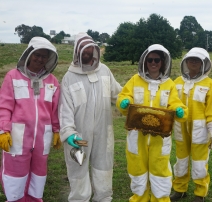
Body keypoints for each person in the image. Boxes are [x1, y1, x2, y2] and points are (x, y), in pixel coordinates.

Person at [116, 44, 188, 202]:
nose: (153, 63)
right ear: (145, 61)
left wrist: (179, 109)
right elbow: (124, 96)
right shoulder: (135, 80)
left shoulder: (169, 84)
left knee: (160, 170)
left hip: (160, 139)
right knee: (137, 168)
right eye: (150, 60)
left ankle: (160, 199)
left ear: (163, 62)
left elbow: (174, 103)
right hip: (137, 135)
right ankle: (139, 198)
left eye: (157, 60)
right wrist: (123, 102)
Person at [59, 32, 122, 202]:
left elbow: (118, 94)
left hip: (103, 132)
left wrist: (127, 102)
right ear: (77, 52)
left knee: (104, 165)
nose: (87, 54)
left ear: (95, 50)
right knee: (78, 166)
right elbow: (65, 109)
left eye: (90, 50)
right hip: (79, 136)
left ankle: (103, 198)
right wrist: (68, 132)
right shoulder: (69, 77)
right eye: (83, 51)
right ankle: (80, 199)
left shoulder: (105, 71)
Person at [0, 36, 61, 201]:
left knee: (38, 173)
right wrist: (3, 130)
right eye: (37, 55)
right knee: (15, 174)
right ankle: (14, 199)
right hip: (18, 136)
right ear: (28, 54)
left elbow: (55, 109)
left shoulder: (52, 81)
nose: (40, 59)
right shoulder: (13, 76)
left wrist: (56, 130)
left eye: (44, 56)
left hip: (43, 136)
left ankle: (34, 199)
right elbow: (4, 106)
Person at [170, 48, 212, 202]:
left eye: (197, 60)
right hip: (180, 127)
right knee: (181, 159)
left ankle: (200, 193)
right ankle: (179, 189)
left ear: (203, 63)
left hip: (201, 128)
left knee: (199, 161)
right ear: (186, 61)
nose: (193, 62)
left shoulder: (208, 83)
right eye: (191, 59)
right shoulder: (177, 82)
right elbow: (170, 103)